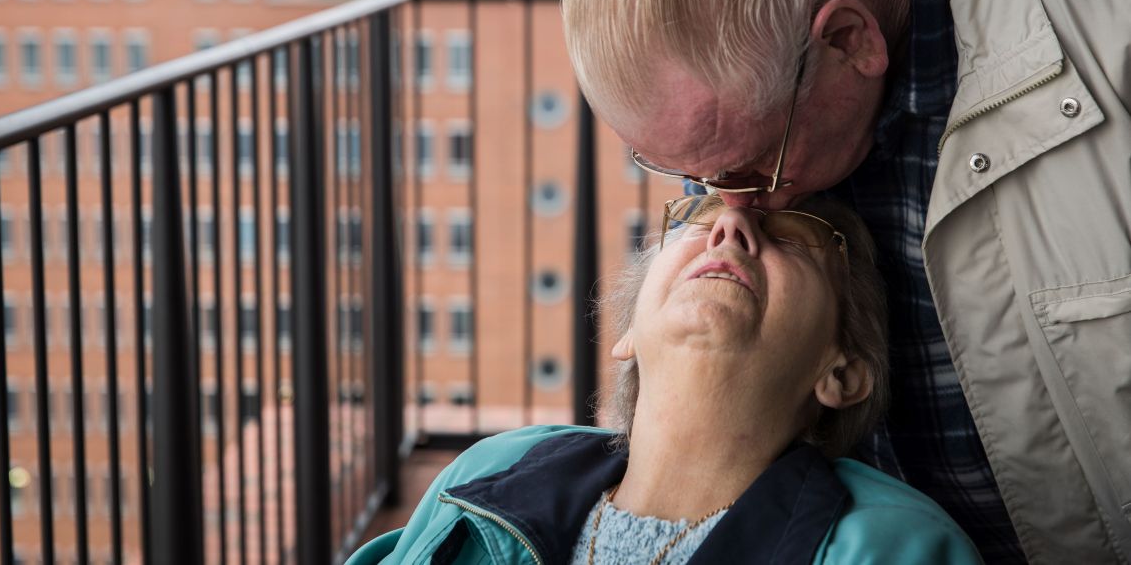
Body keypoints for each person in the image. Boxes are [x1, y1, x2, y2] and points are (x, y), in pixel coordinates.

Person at [561, 0, 1131, 564]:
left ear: (848, 39)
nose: (731, 210)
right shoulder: (749, 41)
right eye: (686, 178)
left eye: (745, 166)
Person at [349, 195, 981, 564]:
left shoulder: (893, 549)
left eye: (793, 234)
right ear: (627, 336)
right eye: (700, 218)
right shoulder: (488, 473)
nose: (731, 227)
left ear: (840, 373)